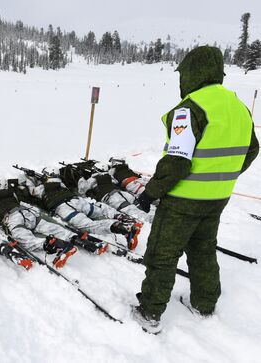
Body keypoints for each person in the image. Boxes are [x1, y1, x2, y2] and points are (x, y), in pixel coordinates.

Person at [131, 46, 259, 334]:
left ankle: (150, 311)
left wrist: (151, 193)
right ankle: (204, 303)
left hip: (183, 200)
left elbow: (176, 161)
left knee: (162, 254)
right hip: (218, 198)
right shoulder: (237, 105)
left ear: (192, 72)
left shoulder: (190, 109)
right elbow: (252, 149)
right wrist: (224, 175)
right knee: (203, 250)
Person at [0, 178, 83, 268]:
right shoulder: (12, 194)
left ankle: (53, 244)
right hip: (28, 213)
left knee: (25, 240)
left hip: (13, 218)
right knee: (50, 227)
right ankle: (72, 237)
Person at [22, 169, 142, 250]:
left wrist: (30, 178)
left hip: (64, 207)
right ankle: (121, 219)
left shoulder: (42, 188)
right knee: (100, 210)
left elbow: (32, 191)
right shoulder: (61, 184)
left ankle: (121, 228)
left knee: (88, 225)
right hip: (78, 201)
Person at [60, 161, 154, 223]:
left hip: (112, 197)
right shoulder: (110, 176)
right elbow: (116, 182)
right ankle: (153, 217)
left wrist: (81, 178)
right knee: (139, 207)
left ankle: (151, 221)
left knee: (130, 211)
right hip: (122, 193)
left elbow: (82, 191)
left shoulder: (92, 179)